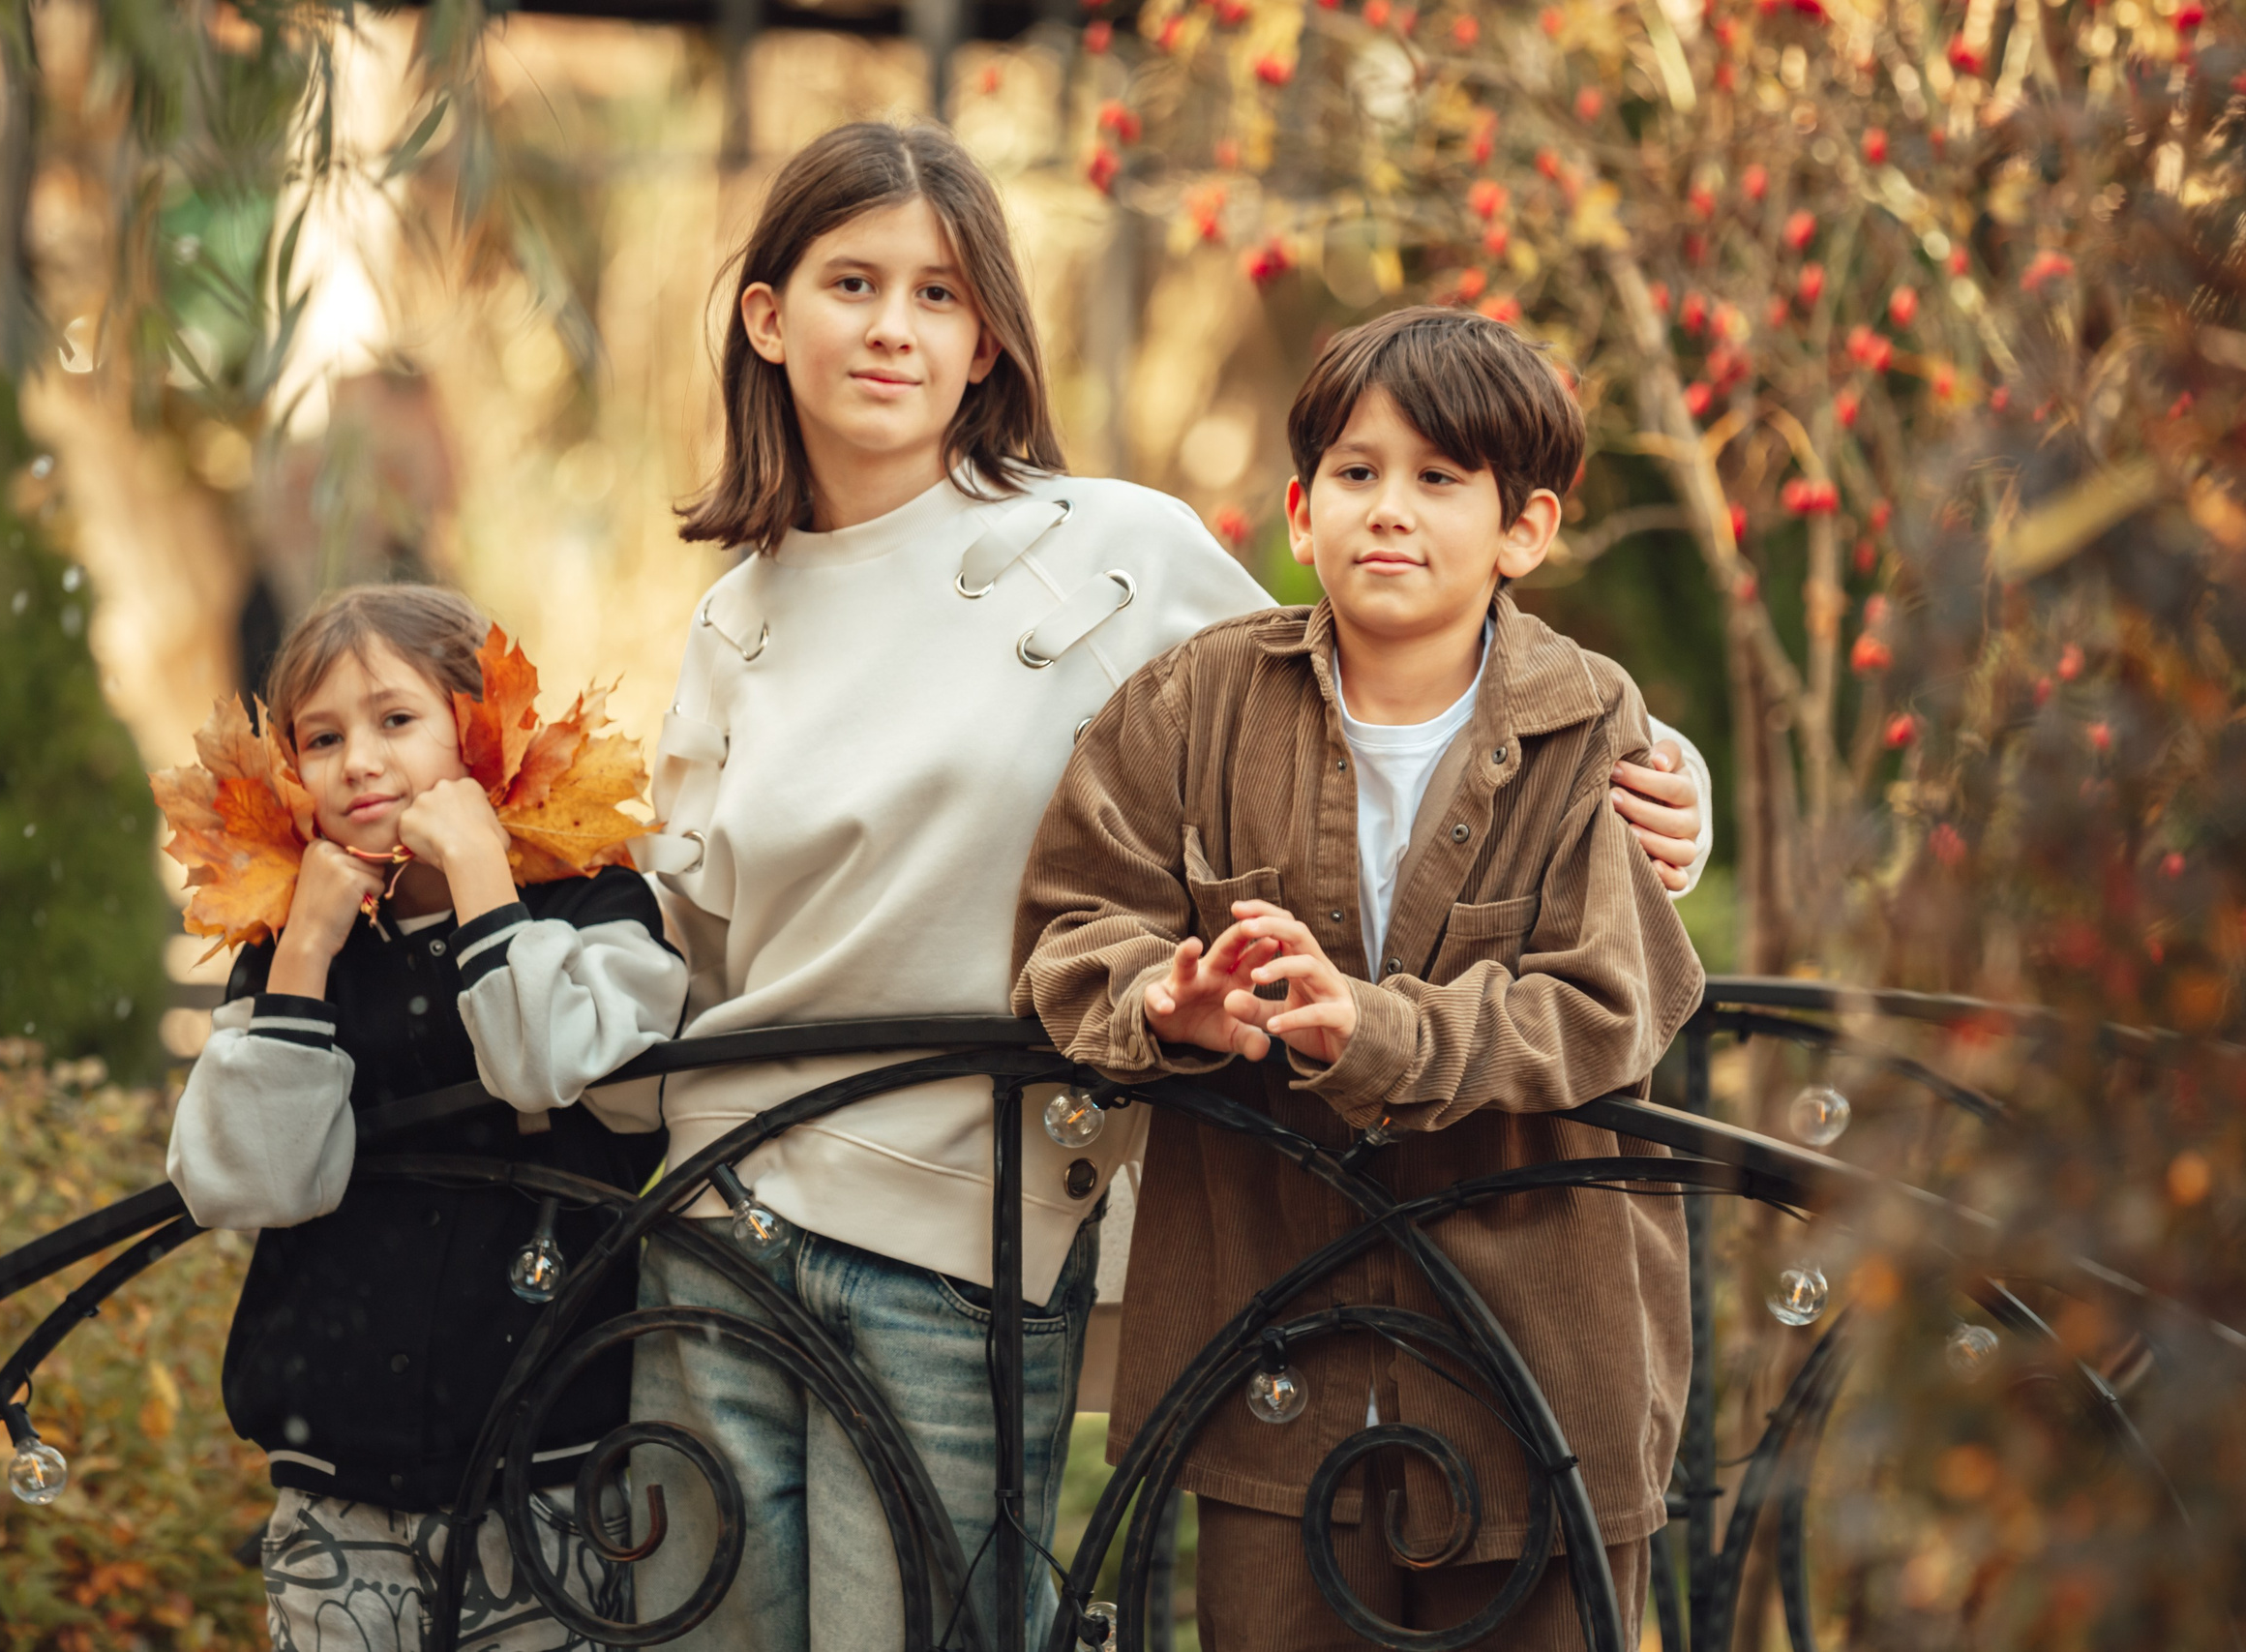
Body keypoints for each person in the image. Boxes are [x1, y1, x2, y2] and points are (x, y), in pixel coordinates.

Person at [626, 124, 1712, 1652]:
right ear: (764, 316)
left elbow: (1388, 681)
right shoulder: (731, 618)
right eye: (852, 283)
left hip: (963, 1233)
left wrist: (1672, 790)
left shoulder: (1113, 554)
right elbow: (694, 942)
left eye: (938, 294)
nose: (891, 327)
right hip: (722, 1203)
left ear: (989, 332)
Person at [1012, 307, 1707, 1650]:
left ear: (1527, 528)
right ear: (1299, 505)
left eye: (1440, 478)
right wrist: (1167, 998)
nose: (1390, 508)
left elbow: (1605, 1003)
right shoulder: (1191, 704)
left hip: (1540, 1372)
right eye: (1356, 470)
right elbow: (1069, 927)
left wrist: (1375, 1029)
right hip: (1277, 1347)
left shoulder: (1593, 723)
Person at [165, 586, 686, 1652]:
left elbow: (544, 1065)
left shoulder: (594, 906)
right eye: (321, 737)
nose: (358, 761)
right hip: (337, 1482)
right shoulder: (289, 946)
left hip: (549, 1468)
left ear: (478, 726)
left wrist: (482, 875)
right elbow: (245, 1182)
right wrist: (305, 952)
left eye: (396, 721)